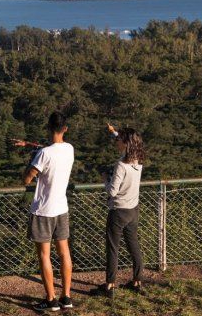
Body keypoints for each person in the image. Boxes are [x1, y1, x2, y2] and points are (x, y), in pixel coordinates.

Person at [18, 111, 74, 311]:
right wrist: (32, 146)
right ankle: (66, 296)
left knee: (44, 255)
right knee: (64, 252)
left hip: (43, 210)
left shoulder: (43, 154)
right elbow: (54, 149)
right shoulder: (69, 149)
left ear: (48, 128)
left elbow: (27, 179)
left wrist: (31, 158)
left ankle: (50, 299)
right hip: (62, 207)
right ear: (65, 129)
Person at [91, 124, 145, 298]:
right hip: (133, 210)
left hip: (119, 211)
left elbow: (112, 191)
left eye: (119, 139)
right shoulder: (137, 160)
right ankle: (137, 281)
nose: (117, 141)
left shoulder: (121, 165)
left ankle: (109, 286)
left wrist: (106, 178)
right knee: (133, 245)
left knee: (113, 248)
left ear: (126, 143)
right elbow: (125, 147)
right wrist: (113, 132)